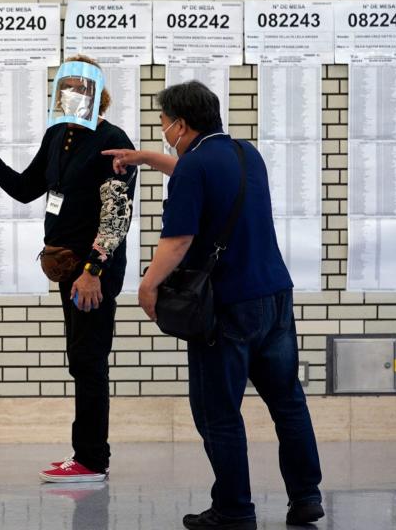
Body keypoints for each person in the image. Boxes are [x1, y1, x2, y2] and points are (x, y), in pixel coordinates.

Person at [104, 80, 323, 529]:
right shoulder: (246, 153)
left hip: (226, 309)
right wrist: (145, 158)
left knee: (218, 412)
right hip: (275, 297)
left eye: (165, 125)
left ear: (181, 125)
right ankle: (306, 497)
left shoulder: (193, 167)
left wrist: (147, 286)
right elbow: (198, 173)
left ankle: (234, 509)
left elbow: (178, 240)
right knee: (288, 403)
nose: (164, 132)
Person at [0, 55, 137, 483]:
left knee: (90, 361)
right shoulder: (58, 135)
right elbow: (25, 189)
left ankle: (92, 460)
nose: (70, 93)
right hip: (66, 268)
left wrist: (94, 269)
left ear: (97, 94)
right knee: (79, 360)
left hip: (94, 270)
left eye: (79, 87)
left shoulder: (113, 140)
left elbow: (116, 217)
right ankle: (85, 454)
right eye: (64, 86)